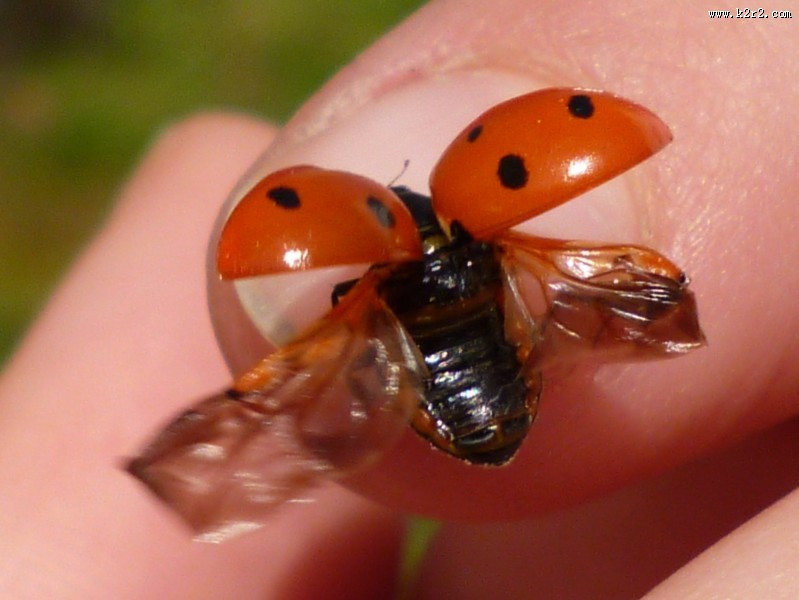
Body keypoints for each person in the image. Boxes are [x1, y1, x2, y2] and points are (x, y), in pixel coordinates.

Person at [1, 2, 797, 597]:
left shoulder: (366, 294)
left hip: (455, 404)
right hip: (501, 383)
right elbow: (644, 302)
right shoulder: (510, 253)